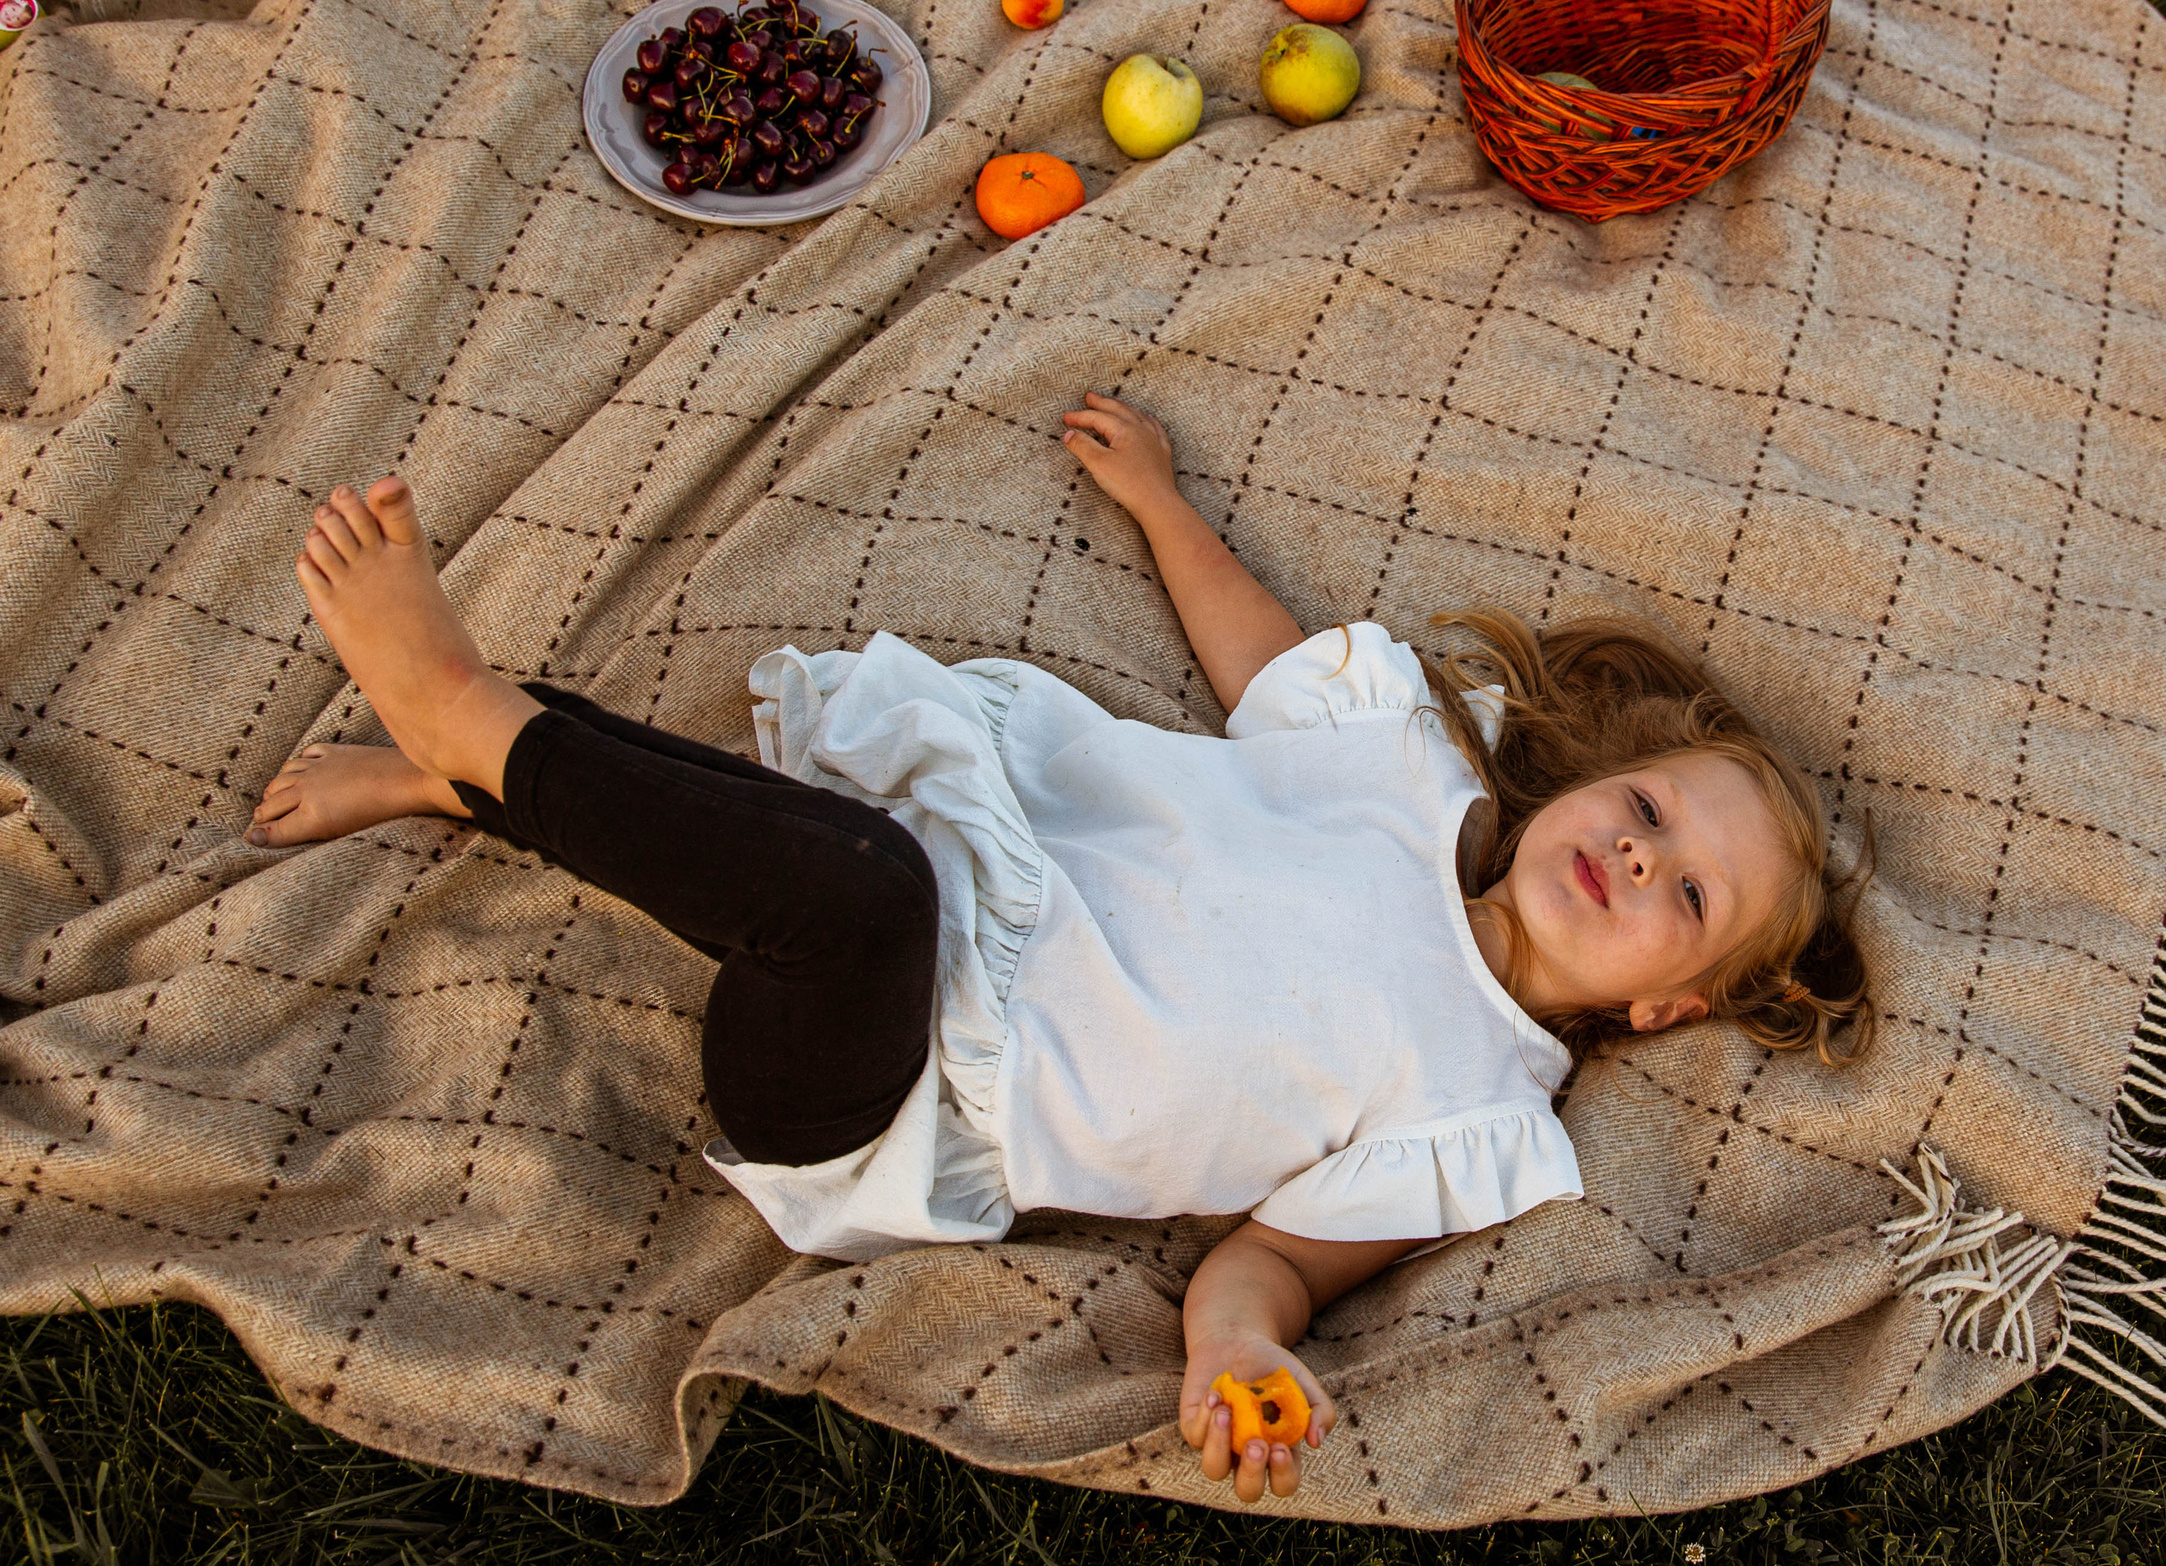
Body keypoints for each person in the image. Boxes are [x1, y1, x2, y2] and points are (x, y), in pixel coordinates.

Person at [250, 392, 1872, 1504]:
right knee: (788, 837)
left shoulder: (1477, 1111)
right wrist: (1165, 500)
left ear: (1668, 1005)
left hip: (882, 1092)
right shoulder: (1405, 774)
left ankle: (462, 715)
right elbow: (1261, 664)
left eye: (1686, 893)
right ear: (1585, 783)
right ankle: (466, 763)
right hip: (950, 876)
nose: (1643, 851)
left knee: (852, 893)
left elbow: (1284, 1258)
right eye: (1650, 806)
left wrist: (1234, 1342)